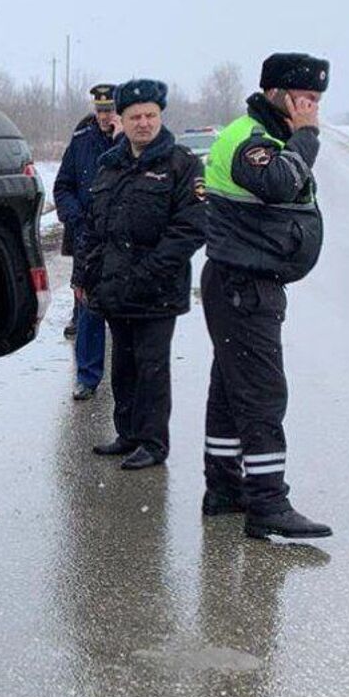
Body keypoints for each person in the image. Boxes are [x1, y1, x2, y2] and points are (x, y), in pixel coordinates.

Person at [200, 52, 331, 540]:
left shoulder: (269, 136)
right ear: (278, 93)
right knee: (261, 394)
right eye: (306, 98)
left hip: (243, 284)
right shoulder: (251, 141)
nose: (313, 108)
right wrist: (308, 136)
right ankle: (268, 503)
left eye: (317, 100)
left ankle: (224, 488)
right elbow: (278, 183)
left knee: (231, 392)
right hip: (243, 286)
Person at [73, 79, 205, 469]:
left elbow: (190, 229)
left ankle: (153, 441)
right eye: (135, 117)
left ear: (160, 117)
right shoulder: (110, 165)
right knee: (123, 366)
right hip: (114, 288)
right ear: (122, 120)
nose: (143, 123)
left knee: (151, 368)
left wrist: (146, 274)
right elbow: (95, 228)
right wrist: (85, 276)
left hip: (156, 291)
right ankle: (127, 433)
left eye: (150, 116)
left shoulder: (181, 164)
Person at [54, 83, 119, 400]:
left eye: (110, 110)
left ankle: (127, 380)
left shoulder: (132, 140)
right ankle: (87, 377)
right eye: (101, 110)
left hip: (123, 241)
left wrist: (120, 139)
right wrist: (75, 218)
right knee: (89, 312)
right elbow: (63, 186)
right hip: (88, 239)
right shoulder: (81, 141)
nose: (105, 116)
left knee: (123, 315)